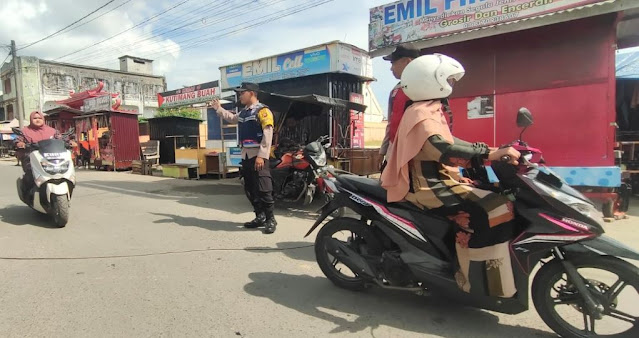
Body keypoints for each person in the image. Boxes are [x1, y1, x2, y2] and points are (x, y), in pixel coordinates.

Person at [381, 54, 521, 298]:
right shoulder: (421, 115)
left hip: (441, 180)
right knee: (497, 206)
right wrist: (490, 153)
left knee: (494, 192)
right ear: (432, 80)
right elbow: (445, 150)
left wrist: (491, 150)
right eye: (449, 79)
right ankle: (471, 276)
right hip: (429, 188)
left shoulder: (429, 108)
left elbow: (452, 141)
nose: (453, 85)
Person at [210, 82, 277, 234]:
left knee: (264, 189)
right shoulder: (245, 112)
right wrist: (219, 109)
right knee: (250, 189)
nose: (240, 96)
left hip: (258, 156)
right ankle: (259, 216)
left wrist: (262, 156)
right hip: (246, 155)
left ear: (251, 93)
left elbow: (268, 134)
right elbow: (232, 118)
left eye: (242, 93)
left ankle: (270, 219)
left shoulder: (263, 111)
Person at [379, 44, 420, 167]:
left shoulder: (427, 87)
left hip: (415, 157)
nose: (391, 68)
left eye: (393, 63)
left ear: (408, 61)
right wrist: (383, 152)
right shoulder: (395, 90)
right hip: (393, 154)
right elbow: (391, 124)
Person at [15, 111, 61, 195]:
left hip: (50, 157)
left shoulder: (52, 131)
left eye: (39, 118)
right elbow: (18, 140)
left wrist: (69, 142)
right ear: (31, 120)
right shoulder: (25, 131)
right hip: (31, 157)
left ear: (43, 119)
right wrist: (20, 144)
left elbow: (60, 139)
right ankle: (27, 192)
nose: (37, 120)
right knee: (30, 174)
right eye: (35, 118)